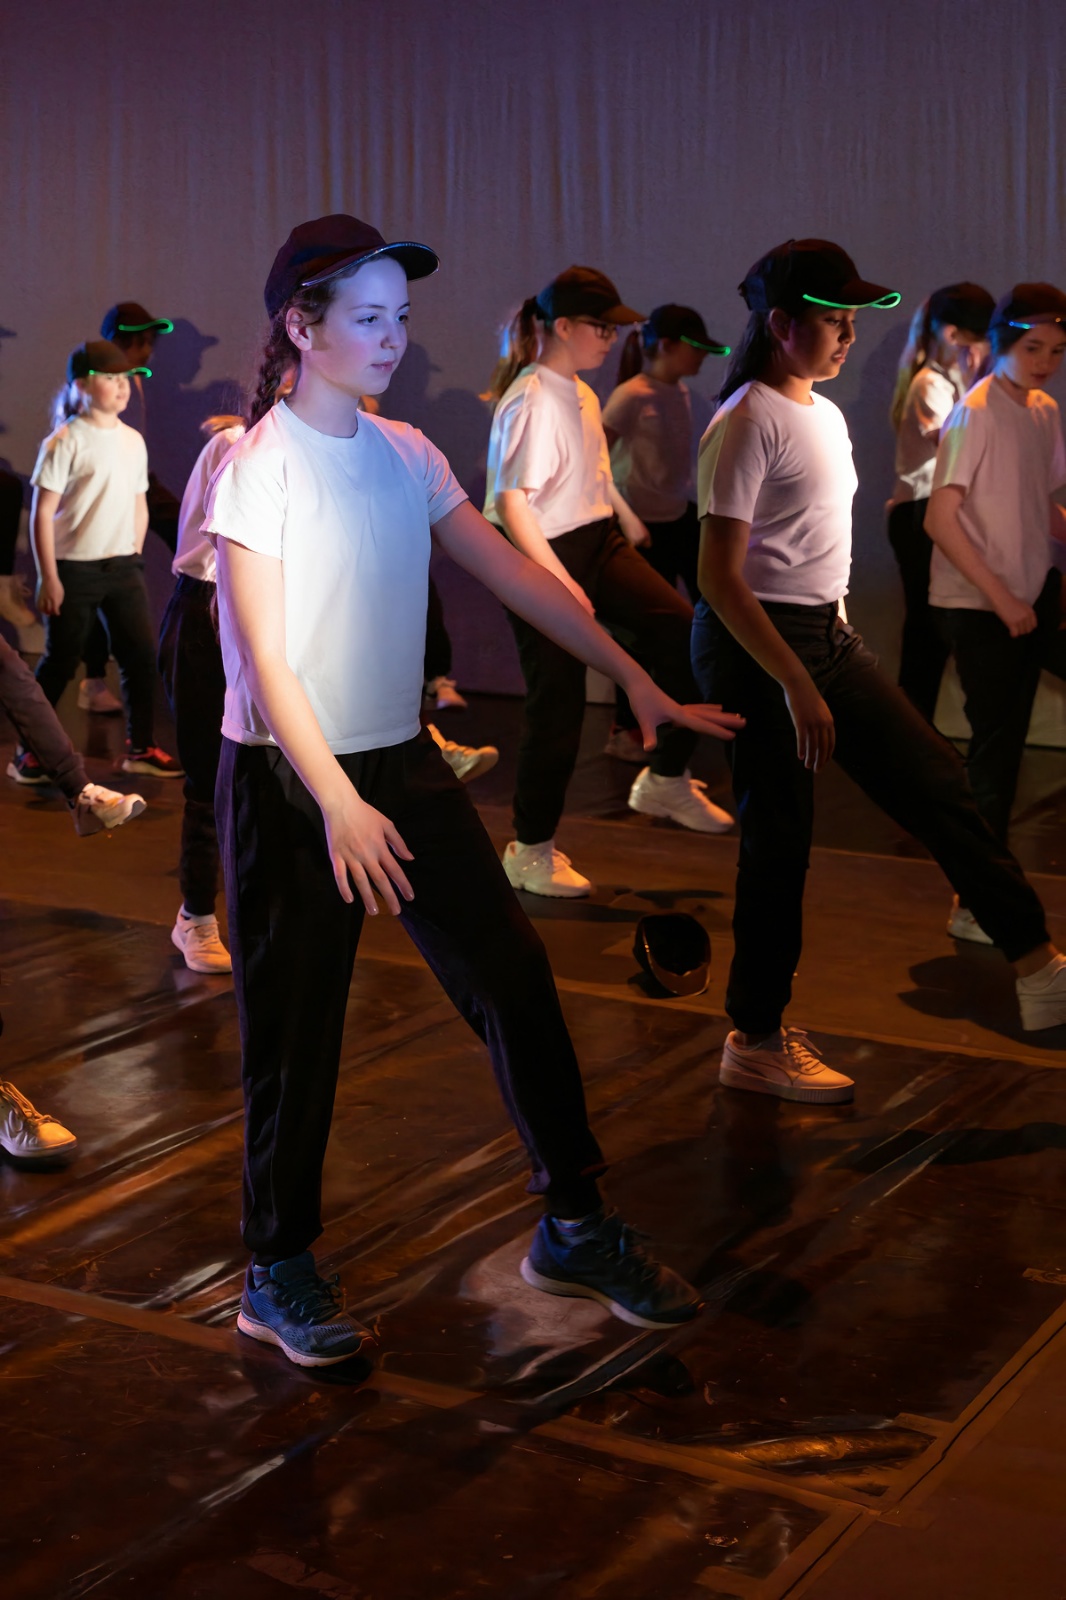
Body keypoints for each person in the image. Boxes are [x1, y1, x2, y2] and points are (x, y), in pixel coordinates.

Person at [205, 213, 743, 1368]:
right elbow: (264, 663)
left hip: (399, 766)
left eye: (400, 317)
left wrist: (635, 677)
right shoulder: (258, 468)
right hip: (291, 782)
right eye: (367, 317)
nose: (391, 337)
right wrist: (337, 802)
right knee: (295, 1035)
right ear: (300, 326)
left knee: (512, 977)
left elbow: (517, 577)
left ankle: (575, 1225)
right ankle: (275, 1268)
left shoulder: (407, 453)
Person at [693, 238, 1066, 1106]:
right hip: (758, 646)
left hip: (823, 634)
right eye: (835, 320)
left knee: (937, 781)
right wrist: (795, 681)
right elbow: (718, 577)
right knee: (779, 840)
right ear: (781, 323)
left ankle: (1039, 965)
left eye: (854, 321)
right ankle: (755, 1036)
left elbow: (810, 553)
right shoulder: (745, 418)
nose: (850, 336)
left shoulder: (819, 414)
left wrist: (830, 648)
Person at [483, 268, 733, 900]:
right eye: (601, 326)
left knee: (684, 635)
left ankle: (664, 778)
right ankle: (530, 849)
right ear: (563, 326)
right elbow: (512, 504)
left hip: (597, 538)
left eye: (615, 327)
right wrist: (559, 580)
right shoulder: (530, 398)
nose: (611, 338)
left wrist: (624, 517)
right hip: (537, 553)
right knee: (558, 699)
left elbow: (594, 471)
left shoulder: (584, 394)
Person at [926, 283, 1066, 941]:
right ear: (1006, 341)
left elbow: (1040, 503)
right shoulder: (975, 412)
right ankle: (975, 900)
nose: (1045, 362)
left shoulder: (1043, 409)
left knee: (1002, 751)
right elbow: (940, 517)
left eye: (1057, 351)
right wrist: (1001, 598)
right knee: (995, 755)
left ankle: (985, 894)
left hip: (1030, 597)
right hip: (981, 605)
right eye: (1033, 348)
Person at [22, 339, 182, 780]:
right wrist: (48, 576)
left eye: (125, 377)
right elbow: (42, 513)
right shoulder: (64, 441)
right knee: (61, 660)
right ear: (82, 384)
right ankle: (29, 751)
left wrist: (132, 550)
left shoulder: (132, 441)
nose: (122, 385)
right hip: (74, 568)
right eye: (110, 377)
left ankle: (141, 748)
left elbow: (139, 502)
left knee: (139, 657)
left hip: (122, 567)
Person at [601, 303, 732, 765]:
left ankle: (707, 707)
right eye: (694, 348)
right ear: (666, 345)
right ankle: (625, 727)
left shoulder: (683, 394)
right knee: (638, 631)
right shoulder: (630, 395)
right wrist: (626, 517)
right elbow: (594, 460)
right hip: (638, 529)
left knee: (712, 609)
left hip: (678, 518)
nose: (701, 358)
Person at [158, 414, 245, 973]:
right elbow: (224, 543)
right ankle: (196, 917)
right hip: (208, 610)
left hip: (264, 610)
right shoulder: (237, 445)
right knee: (210, 776)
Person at [886, 283, 995, 720]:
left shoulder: (949, 383)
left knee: (933, 633)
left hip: (930, 513)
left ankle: (915, 735)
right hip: (920, 514)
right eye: (985, 340)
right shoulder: (931, 384)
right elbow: (957, 450)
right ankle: (911, 735)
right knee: (927, 634)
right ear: (954, 336)